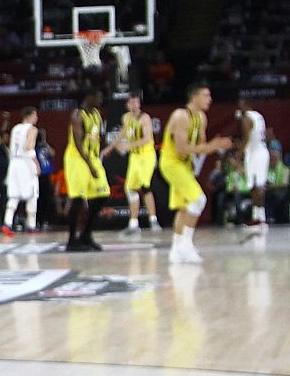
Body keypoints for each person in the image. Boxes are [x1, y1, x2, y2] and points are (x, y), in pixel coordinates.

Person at [160, 82, 232, 264]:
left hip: (185, 165)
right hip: (171, 163)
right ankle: (186, 244)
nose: (210, 99)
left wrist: (215, 146)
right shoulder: (180, 116)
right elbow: (182, 149)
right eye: (206, 95)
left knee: (184, 207)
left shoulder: (202, 118)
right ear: (194, 97)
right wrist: (210, 146)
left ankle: (175, 250)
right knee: (198, 200)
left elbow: (200, 149)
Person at [63, 91, 111, 252]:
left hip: (92, 157)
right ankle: (71, 240)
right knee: (78, 199)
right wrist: (90, 166)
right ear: (89, 97)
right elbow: (78, 143)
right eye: (99, 96)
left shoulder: (96, 114)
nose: (101, 99)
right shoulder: (78, 115)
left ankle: (85, 234)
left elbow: (98, 137)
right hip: (77, 158)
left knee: (103, 194)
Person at [116, 95, 160, 234]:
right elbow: (123, 133)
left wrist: (128, 145)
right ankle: (134, 224)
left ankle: (153, 220)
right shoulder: (126, 118)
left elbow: (147, 138)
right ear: (127, 105)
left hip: (146, 155)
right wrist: (111, 147)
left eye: (137, 102)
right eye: (132, 102)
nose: (135, 105)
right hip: (135, 156)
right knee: (130, 188)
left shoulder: (144, 118)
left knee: (145, 186)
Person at [1, 108, 42, 237]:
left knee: (14, 195)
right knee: (33, 194)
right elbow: (29, 147)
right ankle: (31, 226)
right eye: (35, 115)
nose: (37, 118)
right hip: (25, 163)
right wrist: (36, 164)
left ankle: (7, 223)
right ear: (30, 115)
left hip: (14, 163)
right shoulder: (32, 129)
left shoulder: (15, 128)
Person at [239, 98, 270, 234]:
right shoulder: (259, 116)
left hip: (255, 153)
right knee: (255, 185)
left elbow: (246, 136)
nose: (239, 108)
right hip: (261, 151)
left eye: (241, 105)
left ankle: (260, 219)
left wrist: (240, 152)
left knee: (256, 186)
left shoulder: (247, 117)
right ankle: (258, 217)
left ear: (247, 105)